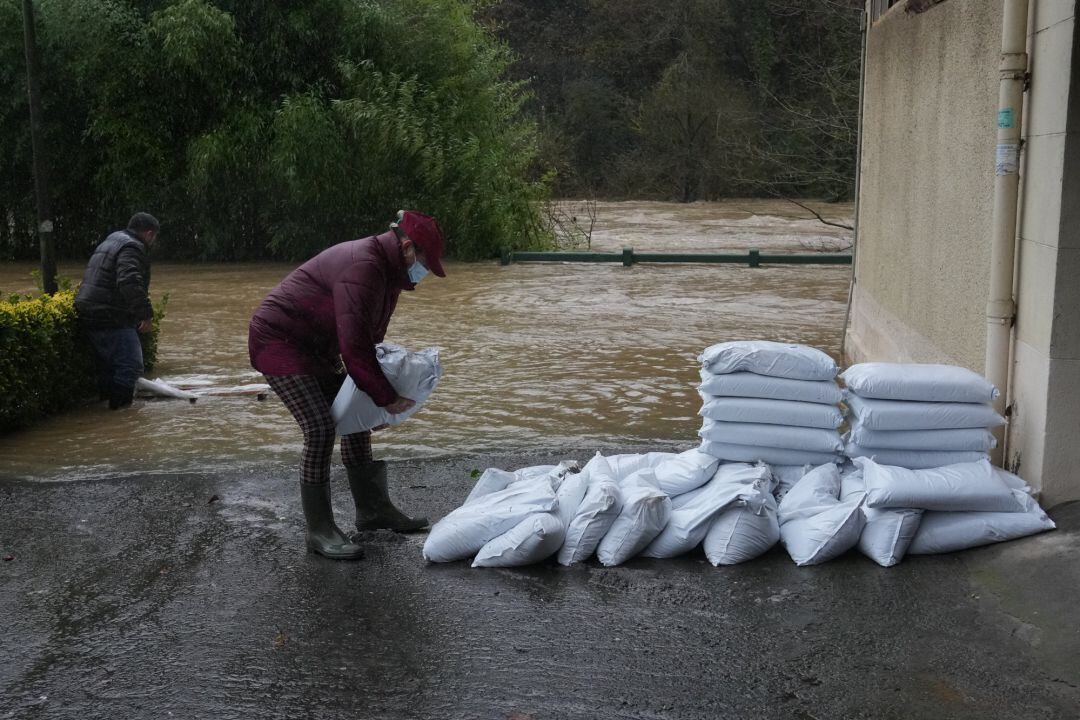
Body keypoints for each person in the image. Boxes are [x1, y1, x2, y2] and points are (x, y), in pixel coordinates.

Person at [248, 210, 447, 560]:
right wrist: (385, 398)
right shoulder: (364, 267)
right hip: (278, 343)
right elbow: (354, 348)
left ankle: (373, 512)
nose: (426, 271)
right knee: (320, 428)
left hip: (317, 346)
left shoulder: (390, 273)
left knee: (357, 421)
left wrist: (374, 403)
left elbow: (371, 341)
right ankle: (319, 530)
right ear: (406, 247)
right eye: (426, 262)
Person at [74, 212, 159, 410]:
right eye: (154, 237)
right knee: (131, 366)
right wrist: (145, 314)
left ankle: (106, 413)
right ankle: (120, 414)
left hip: (89, 310)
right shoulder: (132, 247)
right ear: (148, 234)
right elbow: (129, 281)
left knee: (108, 366)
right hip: (110, 314)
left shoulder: (112, 240)